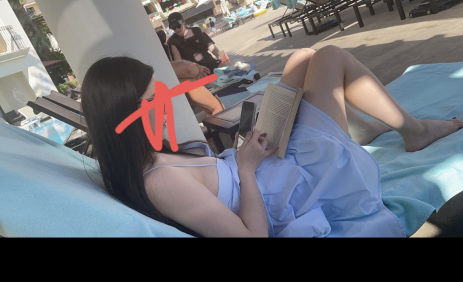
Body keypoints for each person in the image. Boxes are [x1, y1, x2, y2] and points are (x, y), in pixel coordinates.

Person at [80, 49, 463, 239]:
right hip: (288, 185)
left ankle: (356, 130)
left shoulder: (153, 156)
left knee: (303, 58)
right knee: (330, 58)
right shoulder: (160, 181)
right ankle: (414, 131)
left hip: (261, 162)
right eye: (154, 100)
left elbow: (218, 181)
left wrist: (244, 155)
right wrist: (246, 168)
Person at [156, 26, 225, 117]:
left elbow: (211, 46)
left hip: (206, 67)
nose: (177, 29)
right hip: (194, 75)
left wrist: (222, 56)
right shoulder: (172, 41)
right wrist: (197, 69)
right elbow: (187, 68)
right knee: (216, 107)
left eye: (178, 26)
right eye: (174, 28)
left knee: (209, 109)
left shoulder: (195, 31)